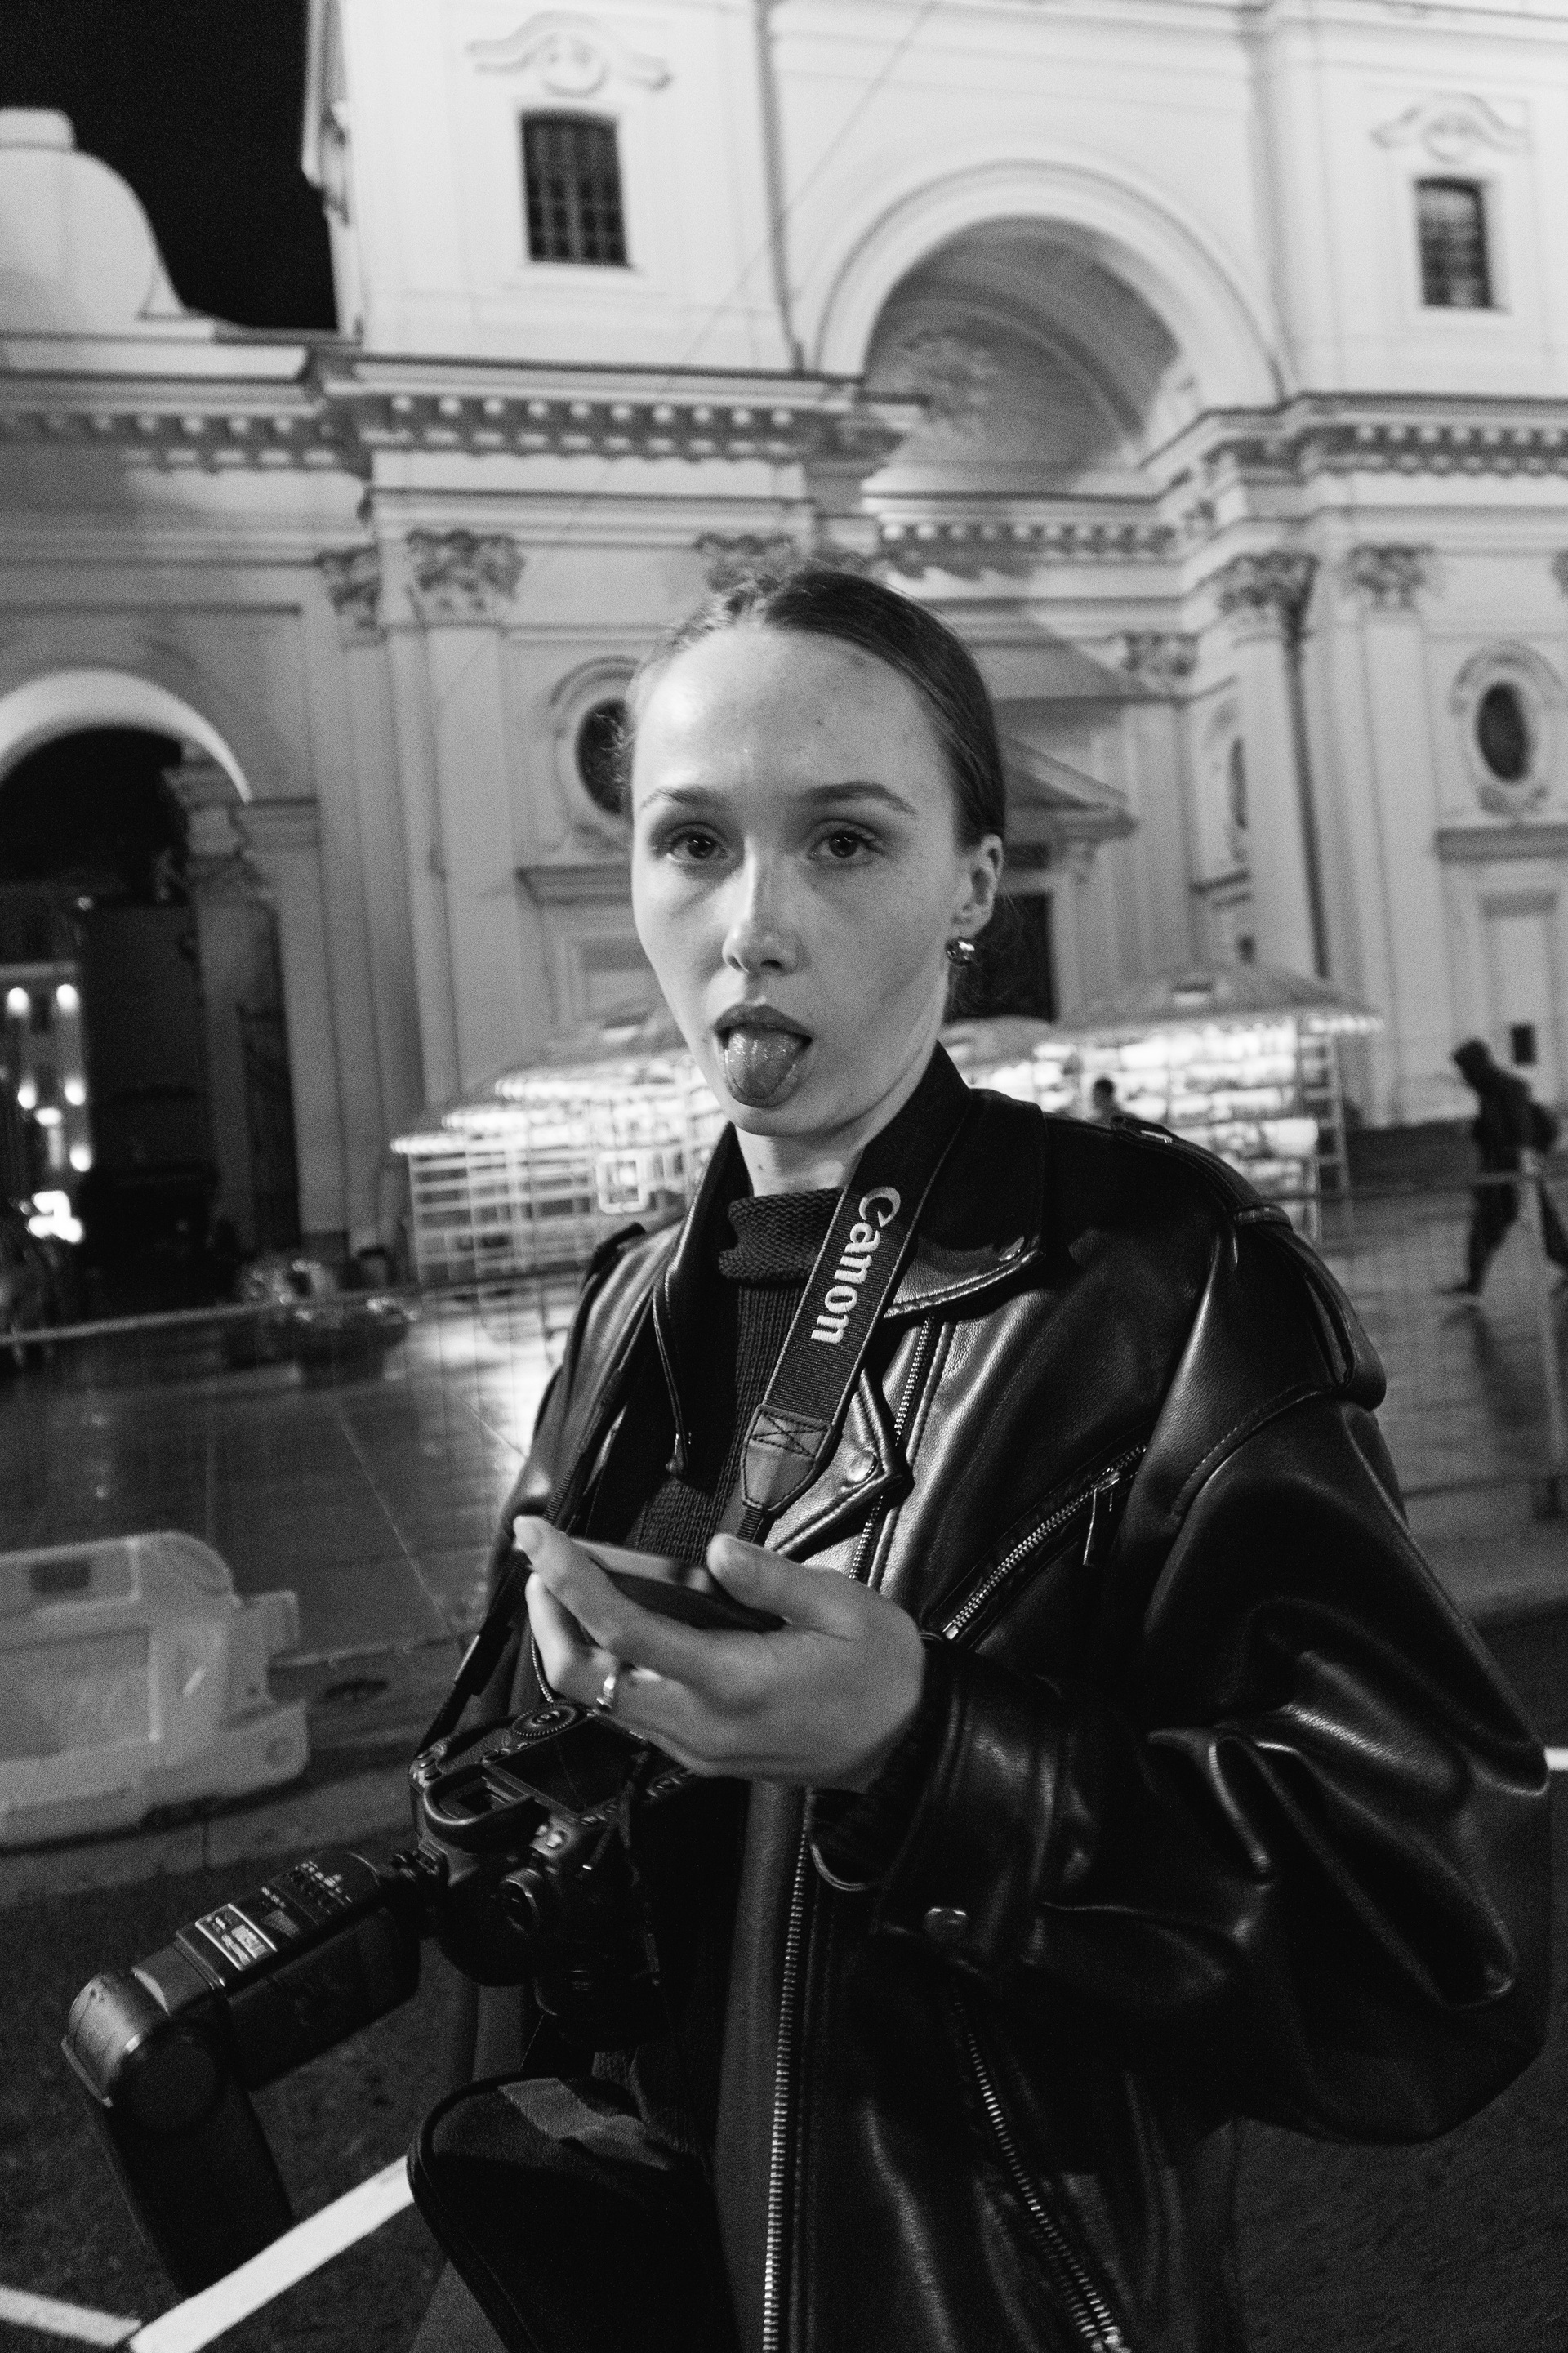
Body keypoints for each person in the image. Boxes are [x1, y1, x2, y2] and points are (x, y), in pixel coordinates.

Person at [410, 570, 1548, 2353]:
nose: (752, 925)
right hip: (612, 2279)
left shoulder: (1160, 1284)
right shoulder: (633, 1300)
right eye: (692, 843)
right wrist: (537, 1765)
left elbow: (1439, 1946)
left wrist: (929, 1748)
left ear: (973, 887)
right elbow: (501, 1801)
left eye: (845, 842)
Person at [1444, 1036, 1568, 1297]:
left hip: (1510, 1174)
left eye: (1465, 1070)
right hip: (1509, 1173)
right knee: (1540, 1228)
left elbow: (1515, 1133)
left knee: (1492, 1230)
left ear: (1477, 1066)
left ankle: (1472, 1286)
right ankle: (1472, 1285)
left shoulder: (1506, 1089)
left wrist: (1514, 1159)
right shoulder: (1493, 1090)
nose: (1464, 1077)